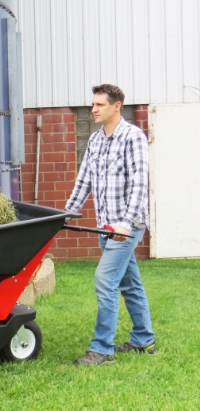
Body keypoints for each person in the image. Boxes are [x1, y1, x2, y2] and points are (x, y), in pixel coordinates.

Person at [65, 84, 156, 366]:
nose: (94, 109)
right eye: (93, 104)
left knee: (105, 279)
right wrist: (67, 214)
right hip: (105, 226)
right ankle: (143, 339)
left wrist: (126, 224)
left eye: (99, 105)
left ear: (117, 106)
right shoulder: (95, 140)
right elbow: (84, 181)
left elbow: (140, 184)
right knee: (130, 284)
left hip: (126, 227)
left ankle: (102, 349)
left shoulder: (133, 137)